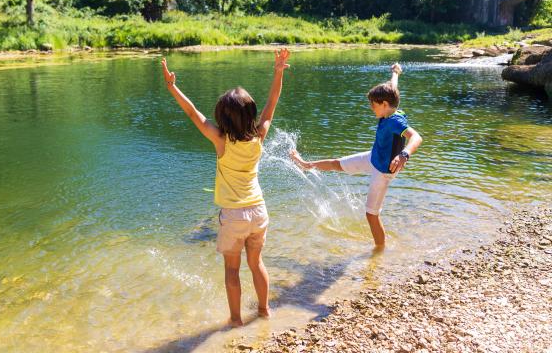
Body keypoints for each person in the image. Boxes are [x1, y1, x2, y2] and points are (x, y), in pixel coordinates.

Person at [161, 49, 290, 327]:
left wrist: (173, 86)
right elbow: (273, 100)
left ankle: (235, 320)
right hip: (259, 211)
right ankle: (265, 312)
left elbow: (193, 113)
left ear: (222, 117)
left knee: (232, 270)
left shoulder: (221, 140)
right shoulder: (259, 136)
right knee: (256, 263)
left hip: (233, 215)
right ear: (250, 114)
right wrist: (278, 71)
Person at [290, 63, 422, 249]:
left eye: (373, 105)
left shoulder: (395, 121)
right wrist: (395, 72)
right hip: (374, 156)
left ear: (384, 105)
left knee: (371, 214)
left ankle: (379, 253)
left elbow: (416, 137)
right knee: (337, 163)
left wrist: (404, 154)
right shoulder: (391, 105)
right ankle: (305, 164)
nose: (371, 108)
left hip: (384, 170)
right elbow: (393, 88)